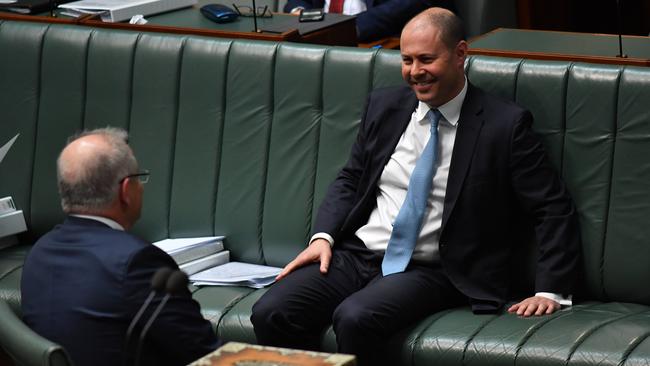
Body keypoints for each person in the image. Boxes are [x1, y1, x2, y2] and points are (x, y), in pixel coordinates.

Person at [251, 7, 581, 366]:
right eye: (406, 60)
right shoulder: (385, 106)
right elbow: (351, 178)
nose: (414, 72)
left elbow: (551, 206)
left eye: (426, 59)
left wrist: (551, 289)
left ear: (460, 54)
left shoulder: (505, 125)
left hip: (433, 268)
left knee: (356, 317)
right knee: (272, 310)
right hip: (359, 254)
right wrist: (323, 237)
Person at [21, 128, 219, 366]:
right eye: (139, 178)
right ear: (126, 191)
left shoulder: (40, 251)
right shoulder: (138, 262)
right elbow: (206, 354)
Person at [284, 0, 454, 42]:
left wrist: (349, 28)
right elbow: (296, 1)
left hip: (376, 39)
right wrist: (300, 13)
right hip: (313, 37)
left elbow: (411, 3)